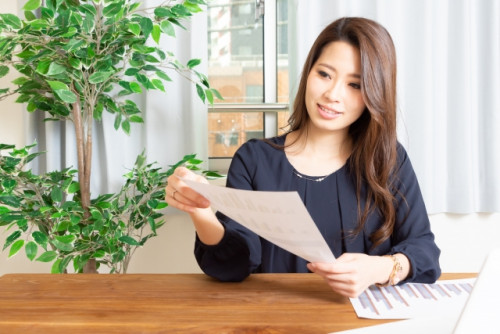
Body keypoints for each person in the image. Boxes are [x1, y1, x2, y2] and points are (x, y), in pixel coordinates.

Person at [165, 17, 441, 298]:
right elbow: (235, 265)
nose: (332, 94)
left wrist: (380, 268)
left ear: (375, 93)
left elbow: (425, 253)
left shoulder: (388, 159)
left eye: (355, 85)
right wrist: (200, 211)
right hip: (274, 322)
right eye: (324, 74)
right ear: (308, 73)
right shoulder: (254, 160)